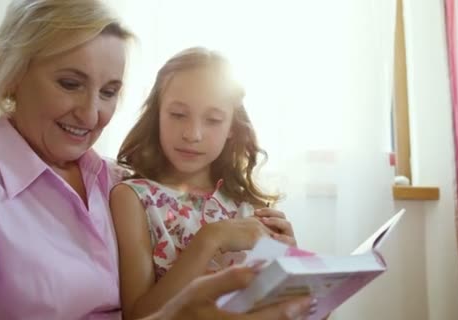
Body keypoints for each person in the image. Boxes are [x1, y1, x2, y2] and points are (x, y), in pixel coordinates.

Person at [0, 0, 315, 319]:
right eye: (70, 83)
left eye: (109, 92)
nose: (92, 113)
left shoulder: (121, 182)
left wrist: (282, 266)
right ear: (13, 75)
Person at [111, 47, 311, 320]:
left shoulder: (248, 206)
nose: (192, 134)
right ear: (157, 114)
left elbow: (302, 311)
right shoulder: (133, 198)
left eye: (213, 120)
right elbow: (139, 316)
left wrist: (292, 265)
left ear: (232, 128)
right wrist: (211, 238)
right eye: (178, 114)